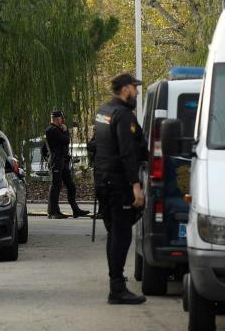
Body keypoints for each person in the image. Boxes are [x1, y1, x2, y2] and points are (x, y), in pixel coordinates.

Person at [91, 73, 147, 305]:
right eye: (135, 87)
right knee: (122, 235)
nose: (137, 92)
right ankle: (117, 289)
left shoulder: (103, 112)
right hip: (118, 183)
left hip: (103, 181)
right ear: (125, 89)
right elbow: (127, 153)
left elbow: (93, 145)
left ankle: (116, 284)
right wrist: (136, 186)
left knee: (114, 233)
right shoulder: (124, 116)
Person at [45, 110, 92, 220]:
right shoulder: (52, 130)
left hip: (63, 161)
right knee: (55, 186)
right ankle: (53, 212)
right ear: (56, 119)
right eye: (61, 118)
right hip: (56, 161)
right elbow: (66, 140)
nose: (63, 120)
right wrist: (66, 131)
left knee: (71, 186)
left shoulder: (57, 129)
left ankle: (76, 210)